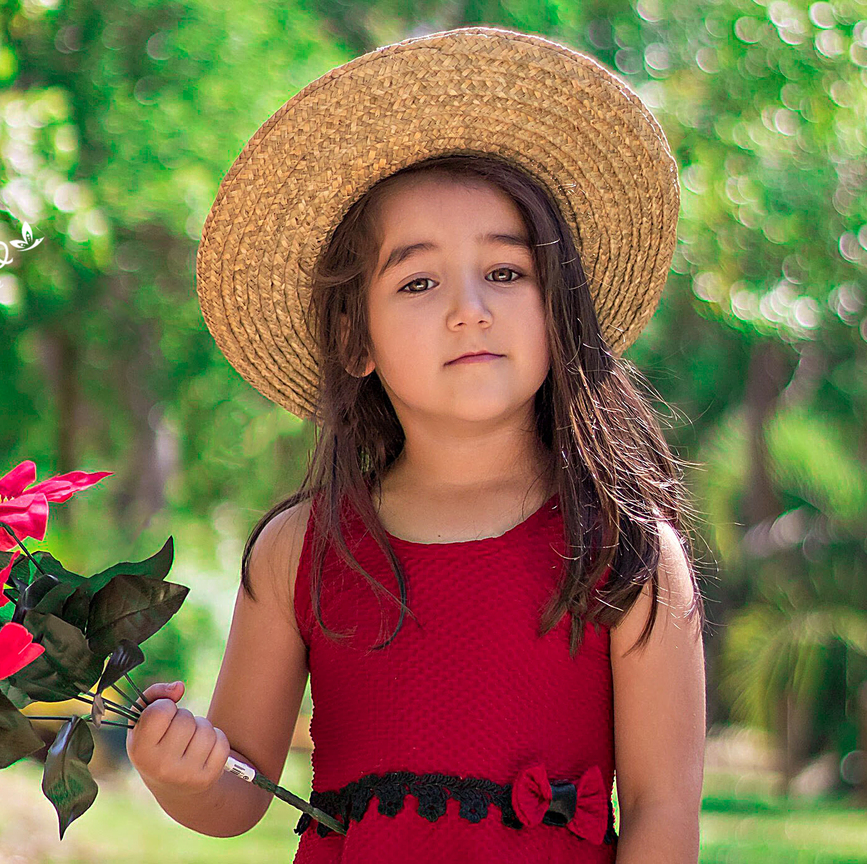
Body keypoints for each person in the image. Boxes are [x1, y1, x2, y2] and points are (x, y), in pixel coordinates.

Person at [126, 25, 707, 863]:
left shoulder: (625, 552)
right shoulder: (301, 550)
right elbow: (238, 790)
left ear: (559, 310)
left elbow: (663, 812)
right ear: (356, 342)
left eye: (506, 272)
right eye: (418, 280)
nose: (469, 308)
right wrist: (184, 775)